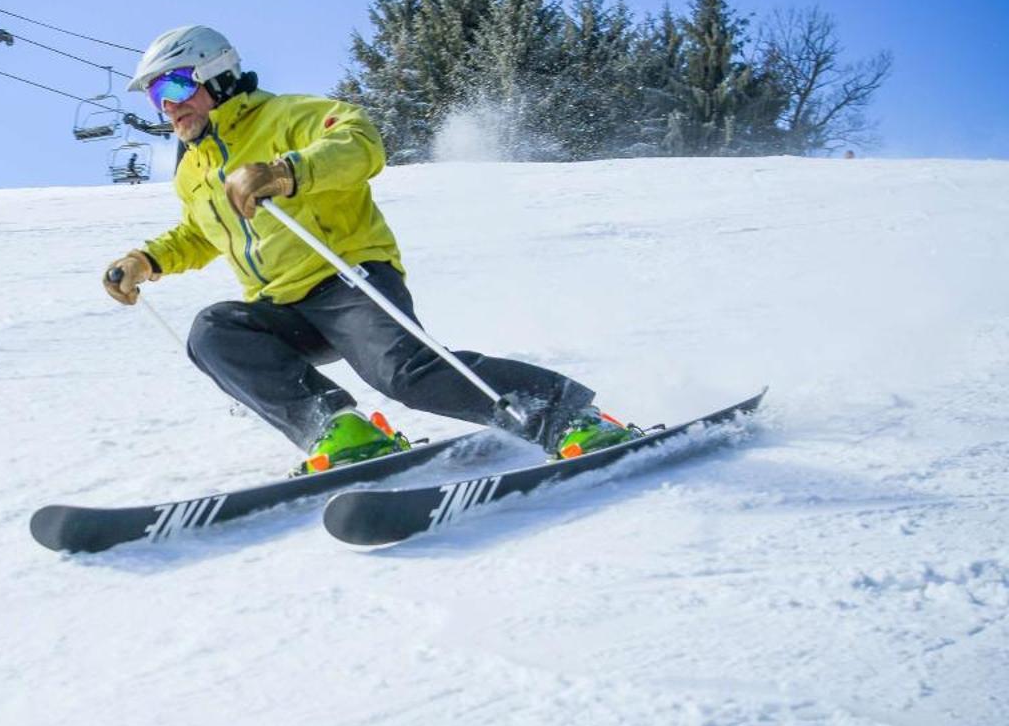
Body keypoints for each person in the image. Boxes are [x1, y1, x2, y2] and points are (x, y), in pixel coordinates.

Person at [101, 24, 637, 474]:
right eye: (155, 97)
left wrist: (286, 171)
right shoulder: (193, 170)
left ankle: (567, 416)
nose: (167, 108)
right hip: (283, 306)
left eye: (172, 87)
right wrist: (146, 260)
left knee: (405, 374)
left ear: (214, 76)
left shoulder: (288, 116)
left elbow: (361, 142)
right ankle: (339, 429)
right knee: (213, 332)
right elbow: (201, 231)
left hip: (348, 280)